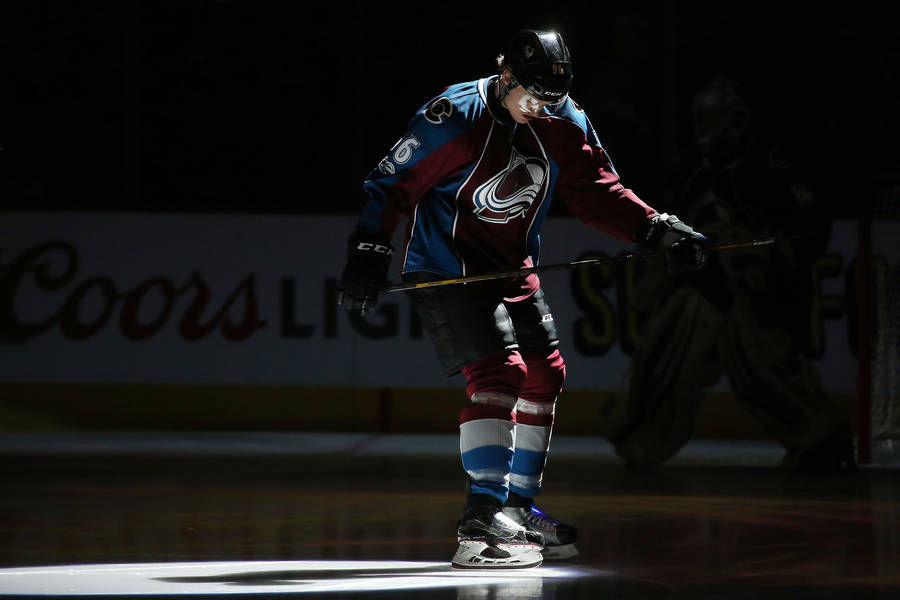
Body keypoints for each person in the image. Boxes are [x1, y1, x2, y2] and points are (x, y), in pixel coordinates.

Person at [337, 29, 706, 569]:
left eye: (551, 99)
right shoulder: (455, 115)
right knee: (499, 373)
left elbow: (597, 188)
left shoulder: (563, 118)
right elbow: (390, 182)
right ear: (505, 74)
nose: (541, 109)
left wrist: (656, 229)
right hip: (449, 271)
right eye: (531, 96)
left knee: (545, 373)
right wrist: (370, 249)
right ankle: (481, 520)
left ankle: (516, 505)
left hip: (514, 270)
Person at [606, 77, 855, 472]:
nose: (705, 128)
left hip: (759, 294)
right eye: (700, 118)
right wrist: (659, 265)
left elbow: (808, 225)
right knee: (663, 356)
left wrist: (768, 251)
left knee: (762, 371)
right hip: (704, 289)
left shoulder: (768, 163)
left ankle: (822, 439)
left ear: (737, 120)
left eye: (714, 118)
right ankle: (641, 439)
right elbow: (667, 224)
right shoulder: (692, 170)